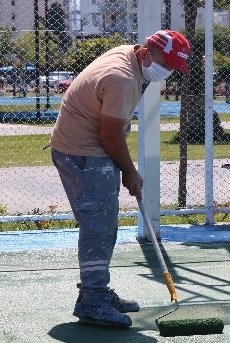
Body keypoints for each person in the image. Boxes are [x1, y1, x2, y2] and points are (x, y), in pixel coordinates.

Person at [49, 30, 190, 327]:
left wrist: (125, 170)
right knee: (98, 226)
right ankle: (93, 299)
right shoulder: (122, 78)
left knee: (103, 222)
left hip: (84, 146)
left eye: (173, 68)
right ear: (147, 53)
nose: (167, 73)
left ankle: (96, 291)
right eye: (166, 64)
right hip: (83, 152)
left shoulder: (130, 55)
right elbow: (110, 136)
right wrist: (129, 171)